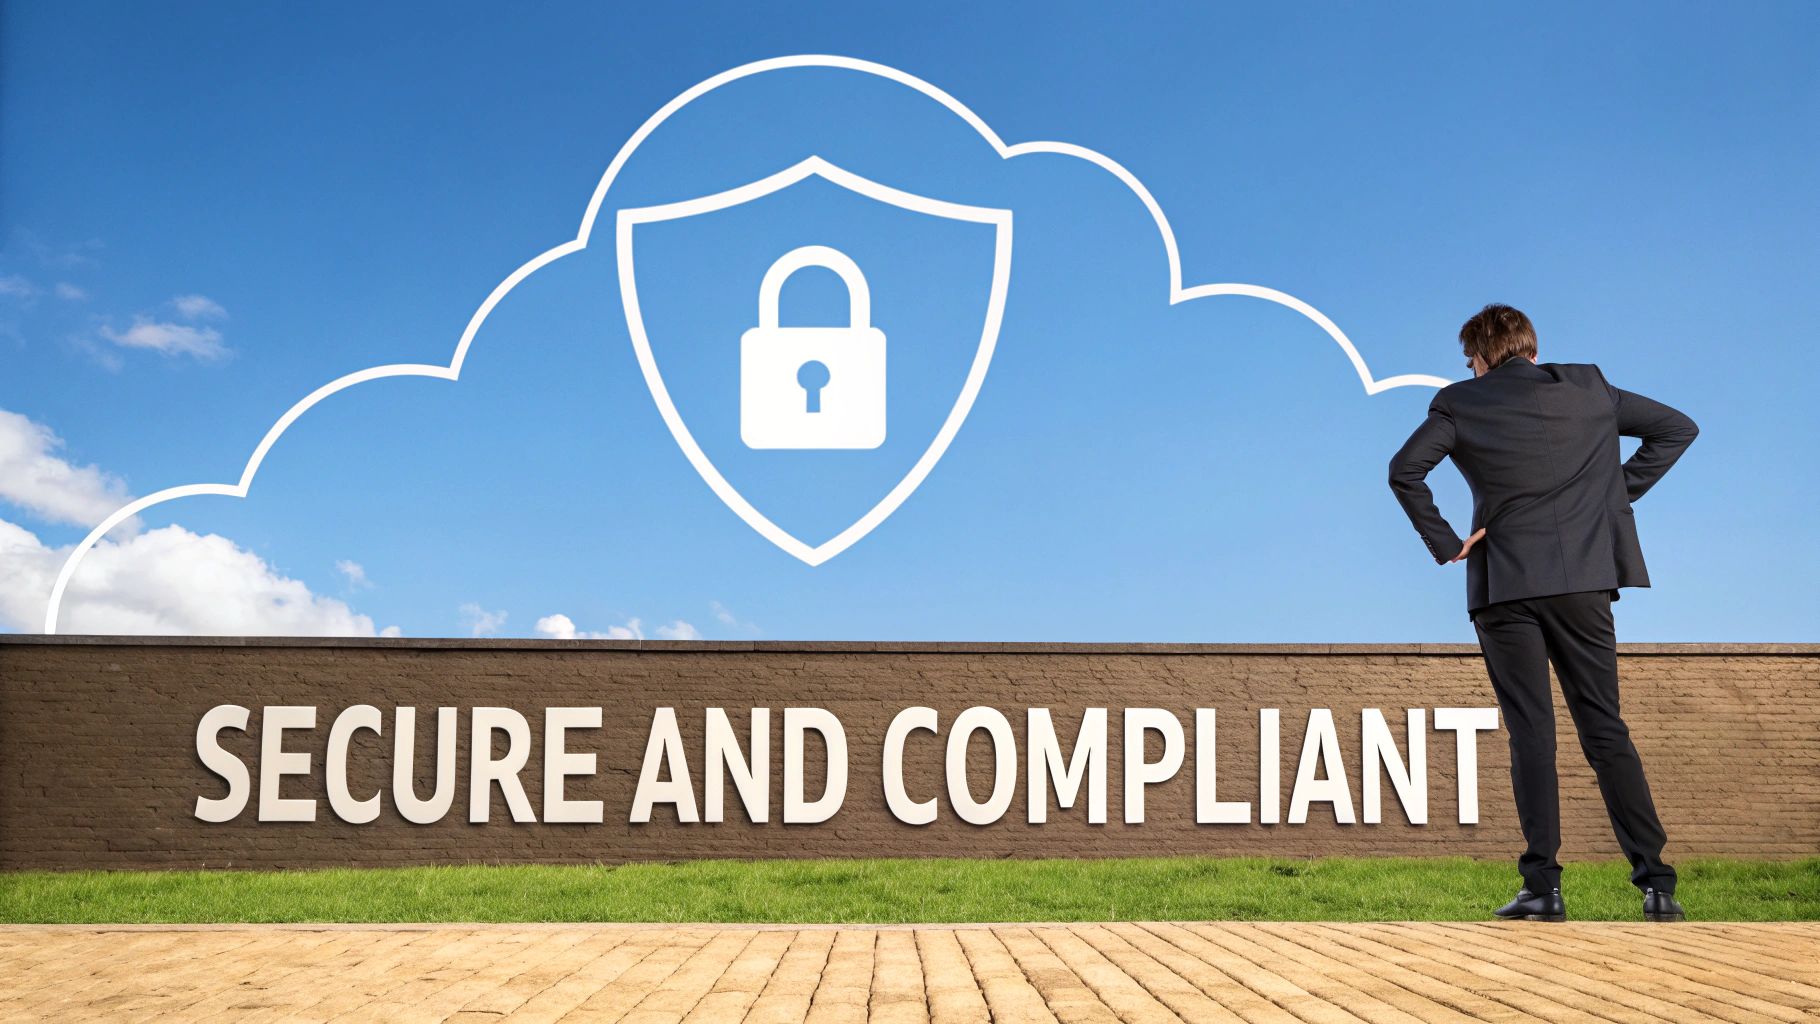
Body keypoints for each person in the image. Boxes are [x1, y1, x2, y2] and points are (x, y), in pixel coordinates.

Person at [1388, 303, 1697, 923]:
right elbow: (1677, 428)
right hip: (1583, 580)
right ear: (1532, 346)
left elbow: (1404, 471)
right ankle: (1657, 885)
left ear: (1480, 356)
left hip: (1505, 583)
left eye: (1468, 358)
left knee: (1533, 733)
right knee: (1605, 729)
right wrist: (1607, 493)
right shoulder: (1590, 386)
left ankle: (1543, 889)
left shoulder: (1460, 401)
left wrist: (1448, 544)